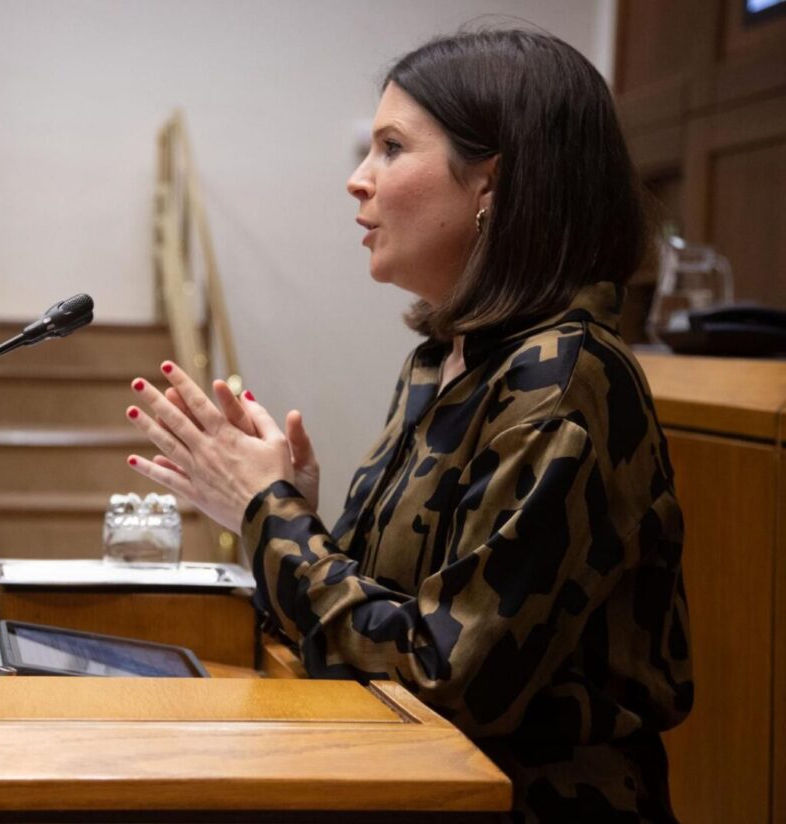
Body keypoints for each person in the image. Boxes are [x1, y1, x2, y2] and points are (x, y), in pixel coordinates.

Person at [123, 27, 693, 824]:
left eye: (391, 148)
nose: (358, 180)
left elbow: (445, 677)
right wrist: (289, 502)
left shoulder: (566, 381)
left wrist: (272, 516)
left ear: (492, 183)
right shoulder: (444, 360)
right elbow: (384, 620)